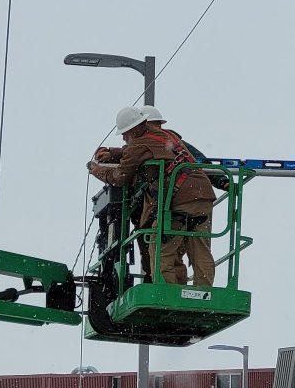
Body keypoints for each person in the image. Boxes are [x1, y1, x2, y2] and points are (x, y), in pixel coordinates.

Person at [89, 107, 216, 287]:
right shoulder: (169, 136)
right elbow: (142, 149)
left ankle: (167, 294)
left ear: (133, 130)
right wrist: (113, 152)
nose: (124, 138)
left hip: (179, 198)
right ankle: (204, 293)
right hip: (203, 193)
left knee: (160, 247)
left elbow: (119, 177)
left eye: (124, 134)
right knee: (199, 247)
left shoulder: (139, 146)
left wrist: (97, 170)